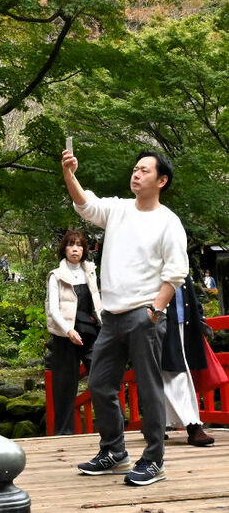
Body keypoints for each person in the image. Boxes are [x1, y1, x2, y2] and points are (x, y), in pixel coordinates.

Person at [63, 149, 189, 486]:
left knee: (148, 388)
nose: (136, 174)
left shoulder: (168, 221)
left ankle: (154, 460)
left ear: (161, 180)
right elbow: (85, 204)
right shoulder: (118, 210)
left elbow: (176, 272)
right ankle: (115, 451)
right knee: (101, 384)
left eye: (144, 170)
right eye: (135, 168)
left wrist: (155, 310)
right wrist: (70, 174)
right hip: (112, 316)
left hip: (144, 314)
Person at [45, 229, 102, 435]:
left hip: (89, 331)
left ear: (84, 249)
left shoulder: (90, 271)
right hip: (64, 335)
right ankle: (64, 432)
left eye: (78, 245)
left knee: (101, 374)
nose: (75, 249)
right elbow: (53, 308)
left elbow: (97, 302)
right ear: (64, 249)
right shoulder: (56, 276)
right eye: (70, 245)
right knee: (64, 385)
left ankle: (111, 424)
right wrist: (68, 330)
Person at [162, 278, 215, 447]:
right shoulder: (152, 260)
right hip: (160, 323)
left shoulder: (179, 262)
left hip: (184, 324)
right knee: (174, 374)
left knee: (173, 373)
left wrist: (199, 318)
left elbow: (189, 294)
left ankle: (154, 423)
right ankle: (193, 426)